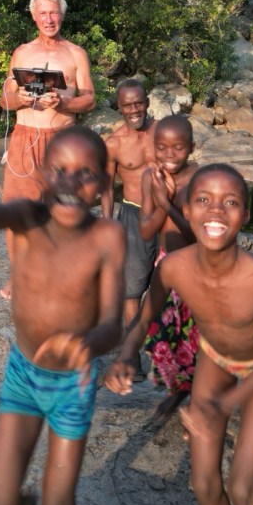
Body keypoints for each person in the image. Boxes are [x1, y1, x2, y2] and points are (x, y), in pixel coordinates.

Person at [0, 123, 124, 505]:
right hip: (24, 374)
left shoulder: (108, 236)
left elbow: (112, 324)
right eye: (59, 171)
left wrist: (87, 344)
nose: (70, 182)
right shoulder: (26, 216)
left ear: (104, 181)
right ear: (42, 174)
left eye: (85, 174)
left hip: (72, 383)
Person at [106, 164, 253, 505]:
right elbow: (146, 315)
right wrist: (128, 353)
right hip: (215, 357)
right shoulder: (174, 266)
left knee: (242, 485)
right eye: (204, 200)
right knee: (203, 484)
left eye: (230, 202)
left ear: (246, 215)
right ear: (186, 211)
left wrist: (223, 405)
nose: (216, 210)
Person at [0, 0, 95, 300]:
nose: (49, 19)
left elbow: (90, 99)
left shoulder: (76, 54)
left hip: (62, 144)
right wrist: (19, 97)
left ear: (62, 15)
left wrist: (64, 103)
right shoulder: (22, 52)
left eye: (53, 12)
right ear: (34, 17)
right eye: (43, 13)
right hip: (25, 138)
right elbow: (5, 100)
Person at [137, 114, 199, 420]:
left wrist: (167, 204)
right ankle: (178, 391)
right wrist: (162, 199)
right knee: (164, 335)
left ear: (192, 147)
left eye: (178, 148)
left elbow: (198, 233)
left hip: (198, 267)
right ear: (153, 148)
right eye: (162, 148)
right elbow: (146, 231)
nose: (170, 155)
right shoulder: (151, 177)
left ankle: (198, 402)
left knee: (197, 338)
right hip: (167, 263)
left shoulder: (201, 179)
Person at [101, 79, 158, 336]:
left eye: (138, 103)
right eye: (128, 105)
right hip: (133, 216)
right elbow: (106, 187)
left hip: (166, 215)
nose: (134, 110)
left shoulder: (163, 132)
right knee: (132, 289)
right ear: (119, 107)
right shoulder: (113, 143)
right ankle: (132, 355)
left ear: (146, 103)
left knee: (170, 283)